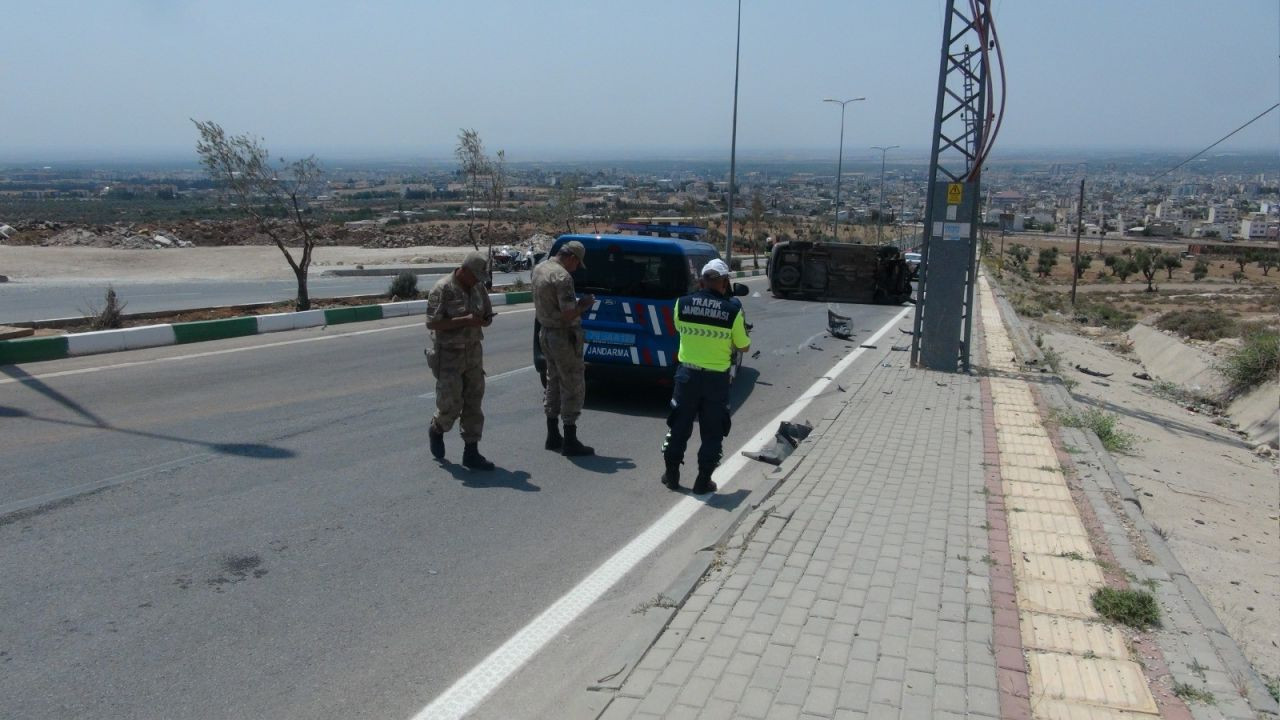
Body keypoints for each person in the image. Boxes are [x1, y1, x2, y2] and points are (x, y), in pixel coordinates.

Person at [661, 259, 751, 494]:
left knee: (678, 425)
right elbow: (743, 347)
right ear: (724, 282)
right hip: (716, 380)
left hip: (686, 376)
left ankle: (671, 475)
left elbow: (679, 329)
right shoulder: (732, 311)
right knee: (713, 430)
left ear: (702, 281)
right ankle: (703, 481)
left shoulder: (682, 304)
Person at [425, 252, 495, 470]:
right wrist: (465, 320)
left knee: (474, 402)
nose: (477, 280)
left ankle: (471, 453)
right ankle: (437, 429)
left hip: (473, 353)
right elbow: (432, 324)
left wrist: (484, 320)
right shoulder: (443, 288)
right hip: (449, 356)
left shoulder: (478, 288)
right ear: (463, 270)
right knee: (451, 405)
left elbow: (487, 313)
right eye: (475, 275)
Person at [532, 240, 596, 456]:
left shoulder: (539, 269)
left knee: (553, 380)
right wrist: (584, 305)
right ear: (572, 258)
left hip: (545, 333)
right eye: (577, 264)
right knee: (572, 383)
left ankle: (552, 434)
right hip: (563, 336)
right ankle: (570, 438)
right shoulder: (562, 277)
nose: (576, 269)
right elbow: (569, 313)